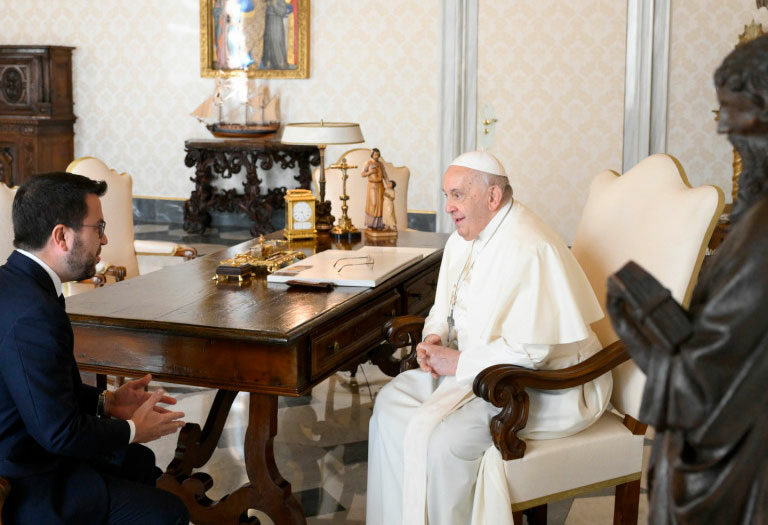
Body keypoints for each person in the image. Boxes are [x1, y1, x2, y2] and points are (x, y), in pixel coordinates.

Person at [366, 151, 612, 525]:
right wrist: (434, 336)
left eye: (457, 195)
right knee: (388, 406)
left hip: (542, 387)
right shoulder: (465, 236)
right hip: (478, 372)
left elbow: (535, 349)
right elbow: (444, 304)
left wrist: (459, 362)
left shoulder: (531, 247)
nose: (447, 207)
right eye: (446, 195)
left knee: (445, 442)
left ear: (493, 197)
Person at [607, 34, 768, 525]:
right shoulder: (754, 219)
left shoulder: (762, 235)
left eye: (732, 111)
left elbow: (706, 384)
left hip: (741, 472)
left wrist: (643, 325)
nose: (722, 127)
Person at [0, 173, 189, 524]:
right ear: (61, 236)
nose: (105, 239)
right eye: (98, 227)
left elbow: (36, 390)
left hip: (26, 449)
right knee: (170, 514)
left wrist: (107, 402)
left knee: (139, 463)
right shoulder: (33, 314)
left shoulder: (16, 282)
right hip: (25, 482)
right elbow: (59, 434)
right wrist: (135, 429)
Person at [361, 148, 388, 230]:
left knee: (380, 204)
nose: (377, 156)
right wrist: (370, 172)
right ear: (372, 154)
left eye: (378, 154)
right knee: (373, 204)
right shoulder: (368, 163)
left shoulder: (380, 164)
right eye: (375, 154)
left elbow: (385, 175)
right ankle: (371, 224)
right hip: (372, 186)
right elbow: (362, 174)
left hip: (380, 185)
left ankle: (379, 224)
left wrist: (388, 184)